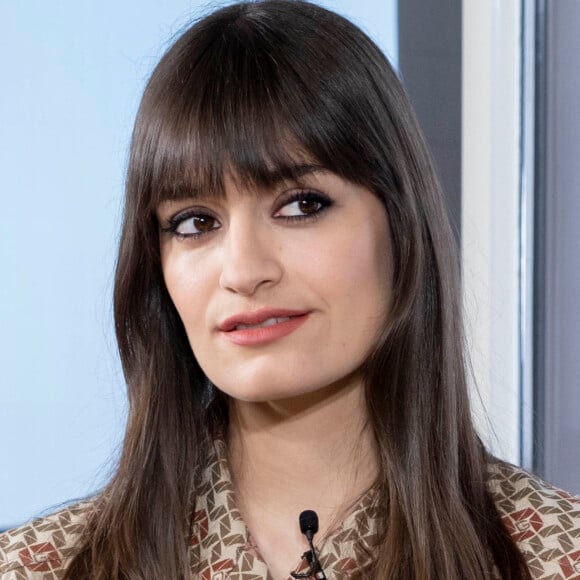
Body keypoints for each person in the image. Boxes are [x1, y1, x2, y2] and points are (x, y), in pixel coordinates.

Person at [1, 1, 579, 579]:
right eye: (195, 222)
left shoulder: (559, 556)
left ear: (402, 226)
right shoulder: (32, 568)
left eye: (302, 205)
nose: (244, 269)